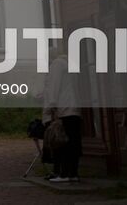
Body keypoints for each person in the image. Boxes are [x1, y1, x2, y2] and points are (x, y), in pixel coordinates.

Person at [43, 51, 82, 183]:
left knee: (63, 142)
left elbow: (54, 86)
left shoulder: (56, 64)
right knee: (74, 143)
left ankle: (64, 174)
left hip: (65, 108)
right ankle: (73, 174)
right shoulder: (70, 65)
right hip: (75, 109)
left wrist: (52, 106)